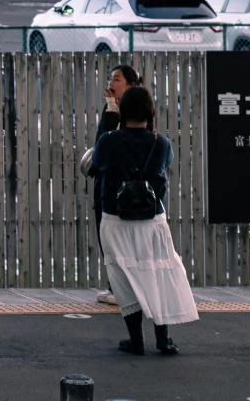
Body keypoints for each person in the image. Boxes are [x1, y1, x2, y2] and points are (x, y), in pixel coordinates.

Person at [90, 84, 198, 356]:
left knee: (124, 279)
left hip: (115, 218)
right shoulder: (160, 142)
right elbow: (166, 164)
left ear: (124, 110)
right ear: (150, 111)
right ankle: (164, 338)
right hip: (152, 220)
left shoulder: (108, 141)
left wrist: (110, 116)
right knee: (158, 275)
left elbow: (96, 162)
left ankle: (135, 339)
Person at [92, 64, 142, 305]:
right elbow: (101, 138)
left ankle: (123, 289)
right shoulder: (111, 107)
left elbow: (110, 141)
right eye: (111, 78)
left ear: (131, 85)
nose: (111, 83)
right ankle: (115, 286)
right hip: (107, 181)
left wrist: (113, 110)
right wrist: (111, 107)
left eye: (118, 79)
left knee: (122, 238)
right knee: (107, 238)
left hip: (124, 185)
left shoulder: (136, 110)